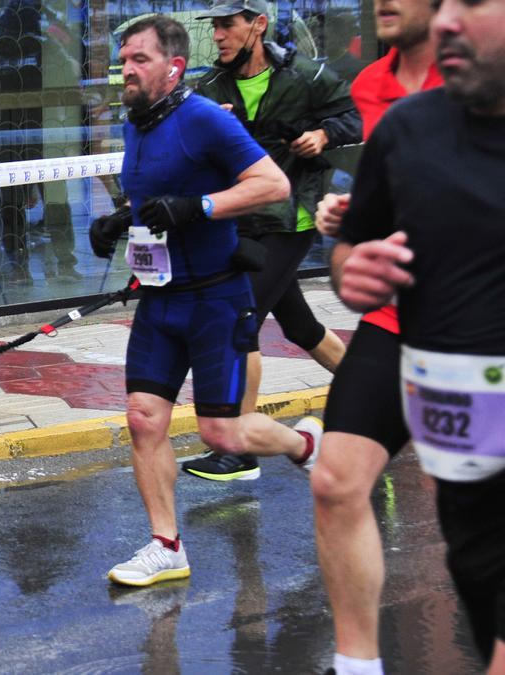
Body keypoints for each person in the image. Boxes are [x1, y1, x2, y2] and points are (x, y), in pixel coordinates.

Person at [87, 15, 323, 588]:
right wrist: (124, 218)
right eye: (123, 61)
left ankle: (306, 443)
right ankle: (166, 545)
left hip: (217, 299)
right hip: (161, 300)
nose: (127, 71)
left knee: (224, 435)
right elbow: (160, 195)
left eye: (139, 60)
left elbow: (273, 185)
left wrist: (203, 208)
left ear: (172, 67)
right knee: (145, 419)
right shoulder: (139, 123)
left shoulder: (202, 118)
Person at [334, 0, 505, 666]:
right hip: (469, 461)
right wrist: (357, 273)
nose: (447, 23)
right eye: (446, 6)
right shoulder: (407, 129)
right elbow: (352, 247)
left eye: (472, 1)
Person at [306, 0, 443, 672]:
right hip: (396, 320)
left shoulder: (482, 75)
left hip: (480, 323)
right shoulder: (369, 85)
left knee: (480, 510)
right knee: (335, 479)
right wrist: (351, 219)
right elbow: (383, 198)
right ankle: (358, 664)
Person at [183, 0, 361, 481]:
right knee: (301, 327)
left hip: (289, 217)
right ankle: (373, 401)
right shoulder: (209, 87)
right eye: (214, 26)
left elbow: (353, 119)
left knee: (242, 319)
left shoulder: (306, 76)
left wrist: (323, 135)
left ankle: (240, 449)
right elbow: (188, 146)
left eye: (228, 25)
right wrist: (208, 127)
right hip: (241, 218)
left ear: (257, 25)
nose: (217, 35)